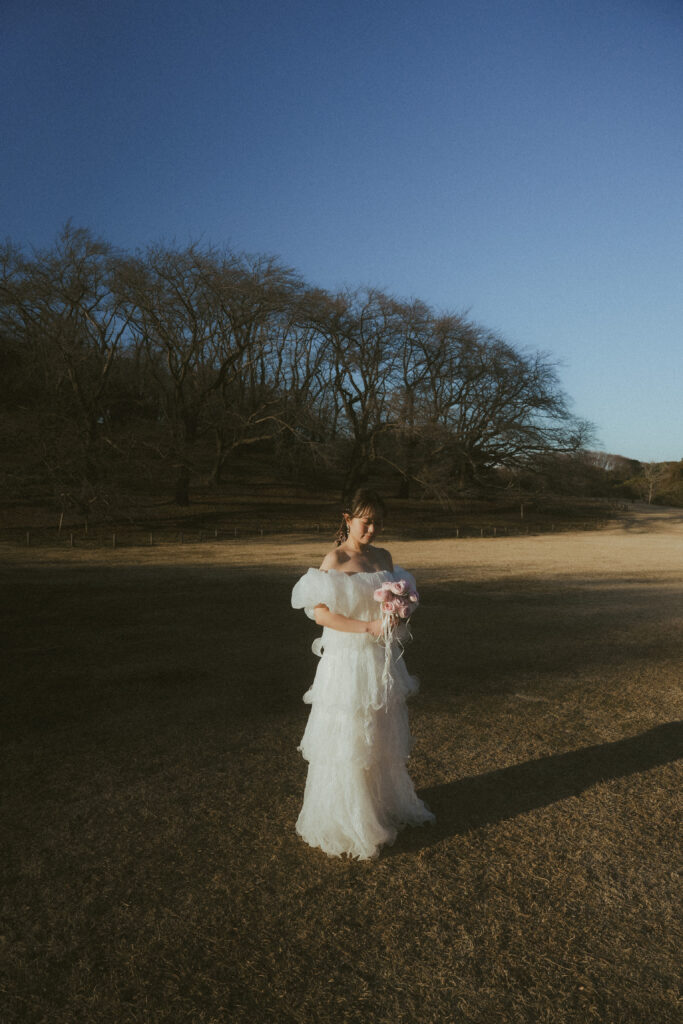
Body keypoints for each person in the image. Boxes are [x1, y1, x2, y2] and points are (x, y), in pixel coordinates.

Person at [291, 488, 434, 859]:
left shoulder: (384, 557)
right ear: (347, 519)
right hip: (346, 661)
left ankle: (379, 806)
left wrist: (400, 613)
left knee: (379, 735)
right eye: (365, 521)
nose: (371, 528)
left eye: (378, 522)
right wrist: (368, 628)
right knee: (350, 740)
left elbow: (400, 602)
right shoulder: (335, 560)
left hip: (380, 661)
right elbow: (320, 614)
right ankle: (349, 817)